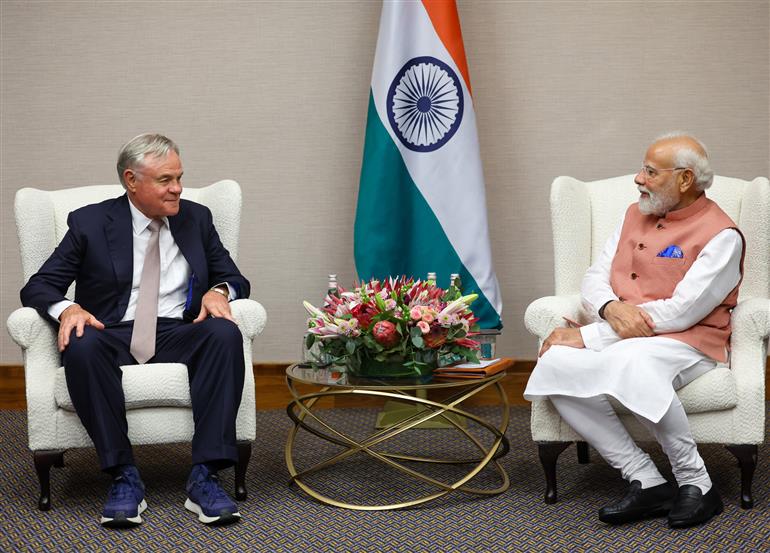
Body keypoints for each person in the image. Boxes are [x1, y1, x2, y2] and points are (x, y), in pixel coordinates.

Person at [20, 134, 250, 528]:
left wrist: (218, 290)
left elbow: (234, 277)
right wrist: (68, 308)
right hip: (112, 330)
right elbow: (38, 286)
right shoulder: (90, 222)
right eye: (165, 180)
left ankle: (205, 476)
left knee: (224, 334)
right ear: (131, 180)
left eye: (179, 177)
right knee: (80, 343)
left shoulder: (197, 218)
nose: (177, 188)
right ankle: (123, 475)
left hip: (178, 330)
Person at [524, 133, 743, 528]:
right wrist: (609, 307)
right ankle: (645, 478)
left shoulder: (722, 235)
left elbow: (682, 313)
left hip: (689, 342)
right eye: (642, 168)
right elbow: (596, 276)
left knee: (631, 360)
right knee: (555, 364)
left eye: (650, 171)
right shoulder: (633, 213)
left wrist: (589, 336)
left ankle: (698, 483)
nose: (638, 179)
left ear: (685, 179)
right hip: (622, 330)